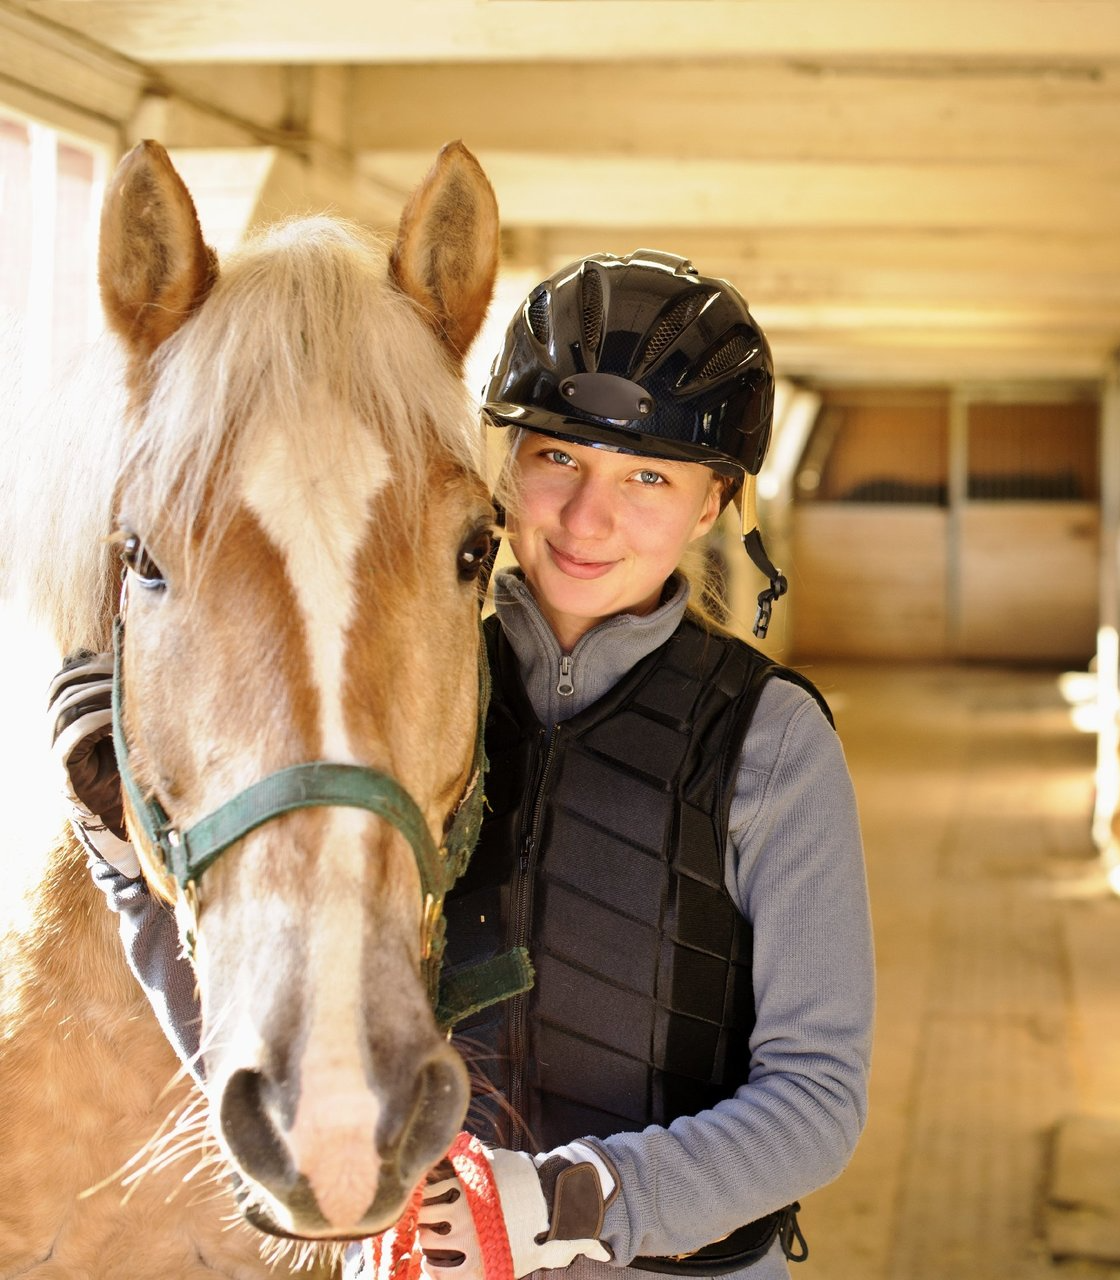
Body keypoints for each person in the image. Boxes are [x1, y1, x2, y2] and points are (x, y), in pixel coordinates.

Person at [52, 248, 874, 1279]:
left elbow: (818, 1099)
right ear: (504, 463)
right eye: (558, 458)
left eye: (648, 478)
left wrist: (564, 1203)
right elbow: (276, 990)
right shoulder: (411, 688)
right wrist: (127, 859)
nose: (586, 517)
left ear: (713, 506)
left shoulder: (774, 739)